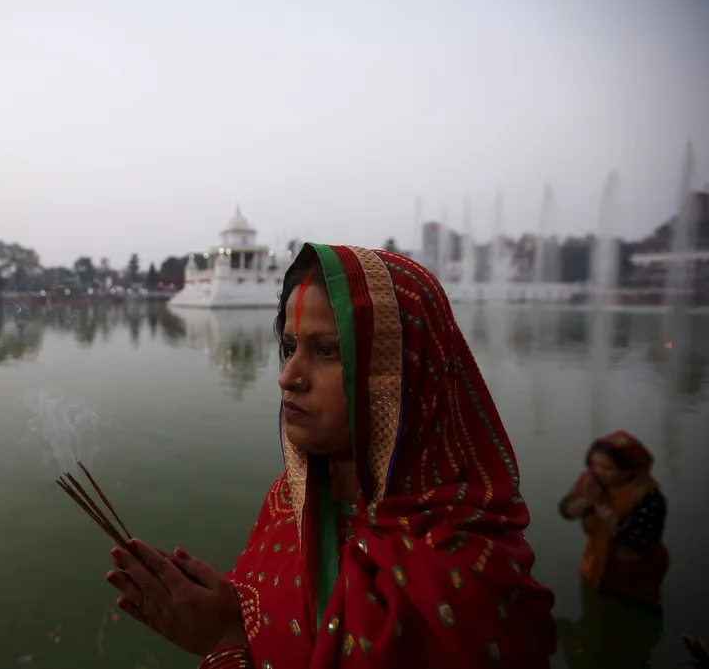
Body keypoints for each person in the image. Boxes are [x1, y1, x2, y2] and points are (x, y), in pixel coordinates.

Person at [105, 244, 557, 668]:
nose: (288, 377)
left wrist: (222, 642)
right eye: (289, 348)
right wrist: (227, 607)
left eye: (326, 351)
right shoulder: (291, 498)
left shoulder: (465, 578)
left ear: (402, 375)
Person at [558, 431, 669, 609]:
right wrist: (580, 505)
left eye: (607, 468)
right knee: (593, 611)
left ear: (628, 470)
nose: (598, 471)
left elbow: (641, 542)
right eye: (594, 464)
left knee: (630, 615)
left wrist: (601, 507)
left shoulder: (649, 497)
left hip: (633, 573)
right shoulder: (591, 481)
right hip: (594, 563)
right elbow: (565, 507)